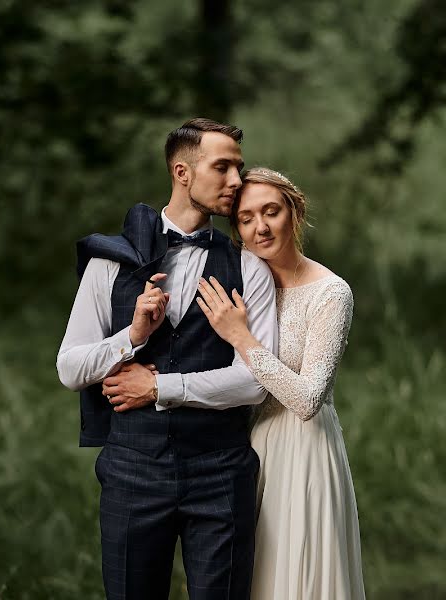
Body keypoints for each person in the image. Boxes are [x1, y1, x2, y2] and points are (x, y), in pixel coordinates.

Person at [56, 118, 278, 600]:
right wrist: (132, 335)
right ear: (182, 172)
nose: (236, 181)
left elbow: (256, 381)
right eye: (222, 168)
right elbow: (70, 368)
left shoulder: (249, 266)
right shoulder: (109, 262)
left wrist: (159, 387)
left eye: (238, 168)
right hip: (132, 473)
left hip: (222, 474)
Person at [195, 167, 366, 599]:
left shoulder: (330, 293)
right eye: (247, 218)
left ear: (295, 212)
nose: (261, 226)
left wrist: (242, 337)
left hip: (305, 447)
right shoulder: (247, 288)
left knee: (300, 573)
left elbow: (308, 398)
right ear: (236, 229)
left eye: (271, 211)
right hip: (250, 445)